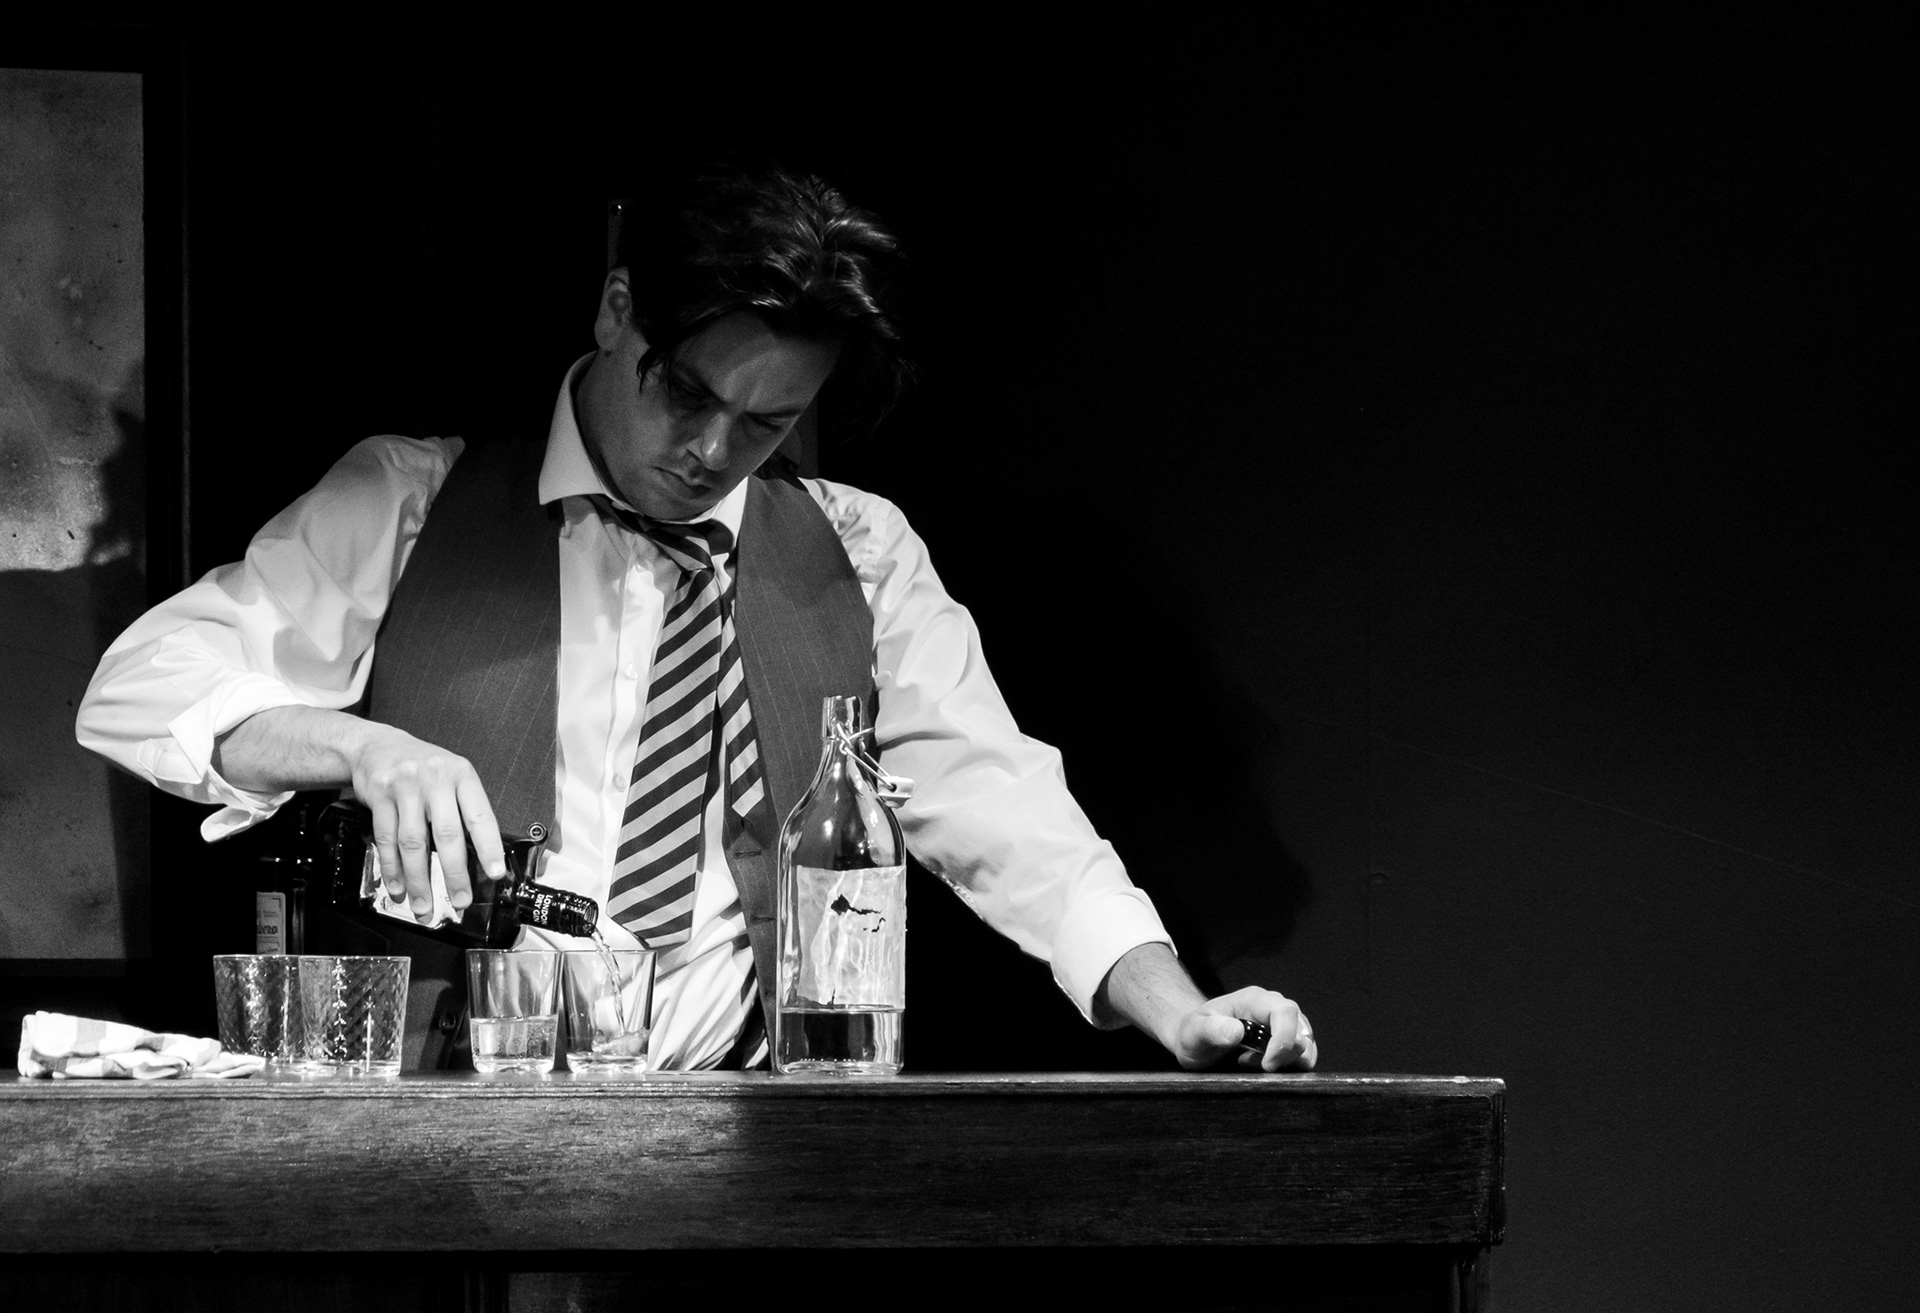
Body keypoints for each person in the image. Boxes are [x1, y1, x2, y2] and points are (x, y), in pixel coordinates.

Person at [76, 162, 1317, 1074]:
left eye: (767, 422)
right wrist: (356, 745)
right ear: (618, 310)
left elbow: (1007, 808)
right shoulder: (410, 501)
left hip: (739, 1151)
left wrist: (1177, 1007)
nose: (712, 451)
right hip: (446, 1137)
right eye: (687, 393)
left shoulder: (859, 551)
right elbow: (142, 682)